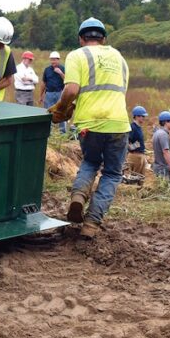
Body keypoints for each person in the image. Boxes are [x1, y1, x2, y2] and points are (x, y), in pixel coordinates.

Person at [48, 17, 129, 240]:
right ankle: (92, 223)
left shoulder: (77, 55)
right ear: (103, 38)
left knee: (91, 162)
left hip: (89, 125)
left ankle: (78, 197)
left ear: (81, 39)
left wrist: (62, 108)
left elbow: (72, 90)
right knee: (112, 173)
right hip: (118, 123)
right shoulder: (119, 58)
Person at [40, 51, 67, 133]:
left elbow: (67, 80)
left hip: (60, 93)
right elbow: (44, 83)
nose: (53, 61)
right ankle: (48, 132)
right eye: (51, 60)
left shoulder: (63, 68)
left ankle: (62, 132)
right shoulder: (47, 70)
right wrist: (41, 96)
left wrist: (60, 73)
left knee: (61, 112)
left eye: (55, 60)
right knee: (48, 112)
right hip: (49, 94)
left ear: (58, 60)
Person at [152, 111, 170, 182]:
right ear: (166, 122)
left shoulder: (157, 133)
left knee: (162, 189)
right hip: (164, 169)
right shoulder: (163, 135)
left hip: (158, 167)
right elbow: (165, 151)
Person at [127, 106, 148, 174]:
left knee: (141, 178)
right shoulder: (132, 127)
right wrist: (133, 147)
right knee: (135, 177)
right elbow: (126, 141)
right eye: (142, 116)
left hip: (140, 155)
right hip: (134, 156)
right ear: (136, 116)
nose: (144, 118)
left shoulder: (139, 127)